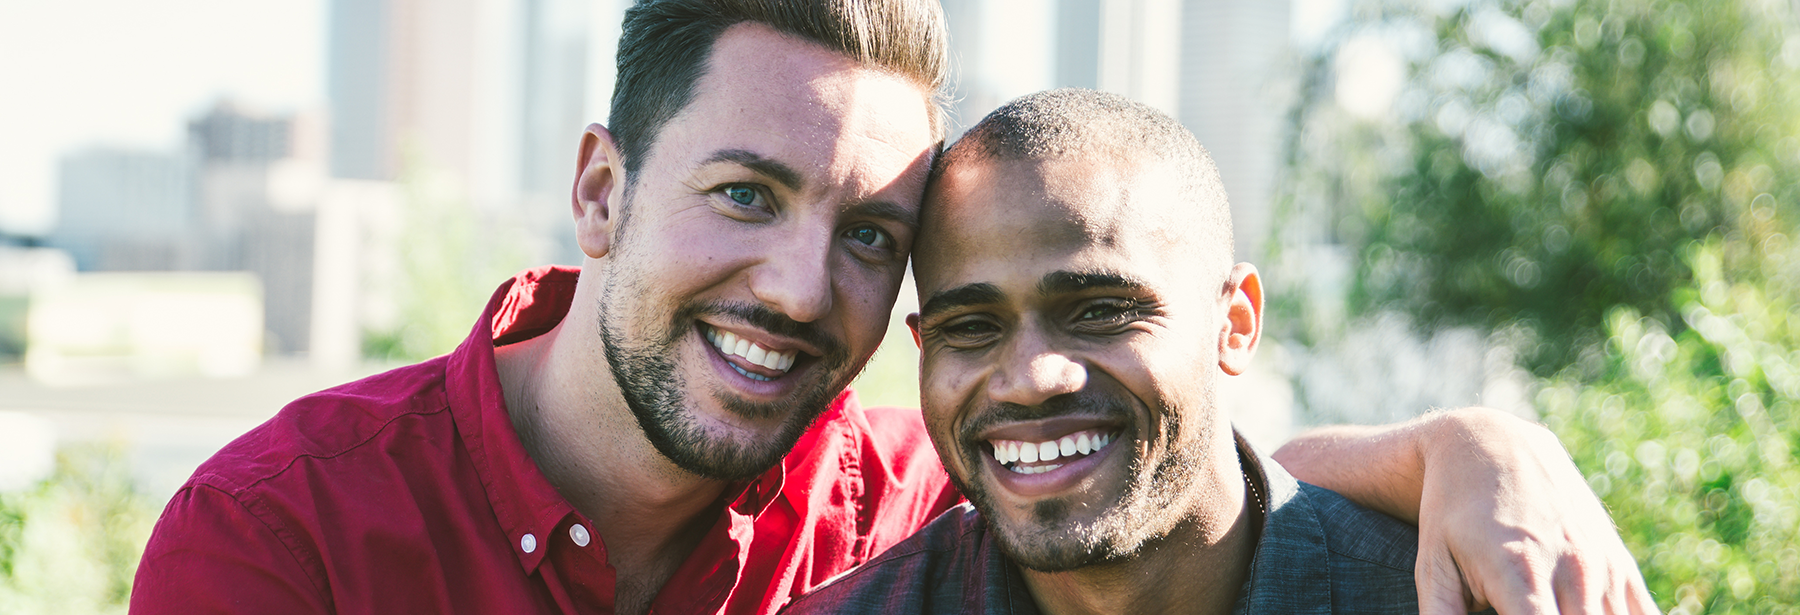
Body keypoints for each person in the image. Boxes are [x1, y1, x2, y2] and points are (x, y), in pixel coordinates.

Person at [131, 2, 1648, 614]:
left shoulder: (908, 503)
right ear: (599, 191)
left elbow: (1141, 476)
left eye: (868, 232)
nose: (801, 290)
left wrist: (1459, 444)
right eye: (743, 194)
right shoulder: (282, 535)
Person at [782, 89, 1658, 614]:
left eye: (1099, 308)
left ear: (1234, 322)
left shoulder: (1456, 594)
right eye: (971, 327)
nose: (1032, 375)